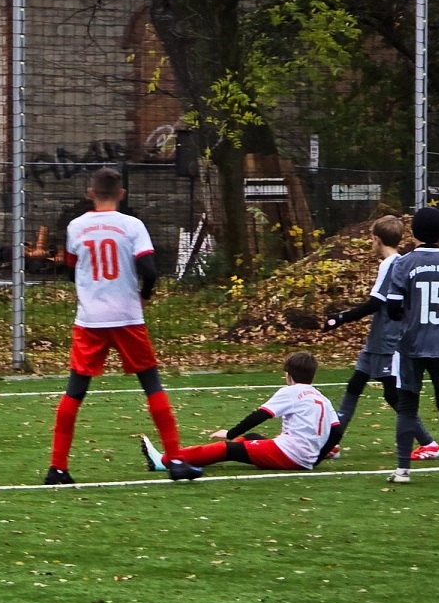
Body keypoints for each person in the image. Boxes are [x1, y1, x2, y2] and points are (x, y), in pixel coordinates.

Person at [45, 167, 181, 485]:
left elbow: (70, 270)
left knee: (75, 391)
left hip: (90, 320)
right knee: (152, 385)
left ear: (90, 193)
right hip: (127, 317)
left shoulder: (76, 226)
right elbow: (150, 269)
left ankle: (58, 468)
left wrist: (88, 288)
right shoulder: (132, 225)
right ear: (122, 194)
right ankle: (176, 460)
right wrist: (145, 295)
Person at [320, 214, 439, 462]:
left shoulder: (392, 264)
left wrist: (340, 318)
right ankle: (332, 443)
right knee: (355, 385)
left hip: (388, 340)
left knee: (391, 394)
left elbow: (375, 303)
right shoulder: (399, 262)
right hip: (378, 339)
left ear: (376, 239)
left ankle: (429, 443)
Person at [139, 351, 339, 480]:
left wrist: (230, 433)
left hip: (290, 455)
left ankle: (165, 461)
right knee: (251, 438)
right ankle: (193, 459)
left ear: (288, 375)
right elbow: (336, 431)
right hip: (303, 456)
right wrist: (317, 457)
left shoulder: (290, 392)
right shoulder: (322, 398)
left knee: (226, 449)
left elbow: (259, 416)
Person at [384, 206, 439, 484]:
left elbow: (392, 308)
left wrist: (408, 315)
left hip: (411, 343)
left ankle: (402, 470)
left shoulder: (403, 263)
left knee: (407, 406)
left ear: (413, 232)